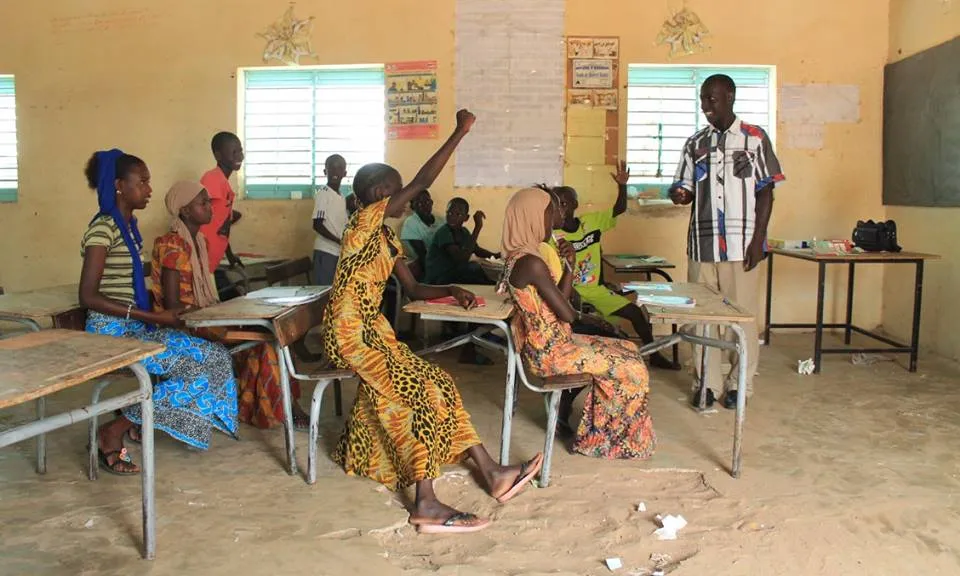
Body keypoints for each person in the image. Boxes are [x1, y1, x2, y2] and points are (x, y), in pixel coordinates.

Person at [321, 110, 542, 534]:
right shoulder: (361, 223)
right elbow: (421, 183)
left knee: (439, 381)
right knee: (421, 391)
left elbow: (414, 288)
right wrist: (460, 132)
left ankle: (492, 472)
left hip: (375, 333)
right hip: (350, 334)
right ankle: (425, 502)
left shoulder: (385, 236)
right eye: (393, 185)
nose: (402, 192)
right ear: (376, 193)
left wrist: (451, 292)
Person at [79, 150, 239, 475]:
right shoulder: (103, 229)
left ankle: (142, 421)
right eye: (143, 182)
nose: (149, 189)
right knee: (193, 372)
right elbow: (88, 296)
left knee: (215, 357)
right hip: (112, 334)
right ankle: (114, 430)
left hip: (134, 329)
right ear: (119, 186)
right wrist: (155, 318)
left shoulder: (129, 227)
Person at [499, 187, 655, 457]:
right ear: (532, 216)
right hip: (552, 353)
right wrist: (590, 318)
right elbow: (568, 313)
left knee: (629, 349)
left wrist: (569, 265)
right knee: (631, 366)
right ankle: (605, 442)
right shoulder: (530, 263)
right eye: (548, 213)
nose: (552, 219)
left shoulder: (522, 257)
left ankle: (603, 434)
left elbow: (560, 300)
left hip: (555, 342)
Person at [151, 181, 310, 430]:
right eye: (202, 203)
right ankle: (281, 408)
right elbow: (174, 305)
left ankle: (274, 406)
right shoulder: (172, 244)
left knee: (271, 335)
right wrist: (213, 314)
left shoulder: (198, 241)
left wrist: (219, 309)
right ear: (185, 211)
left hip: (204, 315)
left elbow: (205, 295)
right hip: (186, 324)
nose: (209, 207)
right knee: (267, 339)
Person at [668, 74, 785, 410]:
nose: (705, 106)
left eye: (712, 99)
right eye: (702, 99)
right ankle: (706, 383)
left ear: (730, 96)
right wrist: (680, 194)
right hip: (702, 245)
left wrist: (758, 240)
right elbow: (685, 190)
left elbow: (766, 191)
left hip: (741, 244)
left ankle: (739, 385)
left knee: (742, 318)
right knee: (701, 317)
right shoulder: (695, 143)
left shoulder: (755, 139)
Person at [549, 162, 676, 370]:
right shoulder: (553, 234)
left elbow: (619, 209)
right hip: (569, 292)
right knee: (597, 332)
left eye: (564, 203)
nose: (561, 209)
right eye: (556, 204)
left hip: (596, 291)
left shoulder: (591, 222)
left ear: (575, 205)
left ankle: (654, 354)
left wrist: (622, 186)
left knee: (635, 313)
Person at [200, 131, 244, 298]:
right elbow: (199, 219)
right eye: (234, 152)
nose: (239, 155)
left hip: (212, 260)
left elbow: (221, 225)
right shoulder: (212, 179)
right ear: (218, 155)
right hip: (203, 260)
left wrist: (230, 255)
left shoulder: (223, 182)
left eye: (240, 150)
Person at [424, 197, 499, 285]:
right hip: (438, 278)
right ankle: (492, 285)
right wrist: (477, 228)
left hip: (452, 274)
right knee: (472, 267)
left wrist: (497, 255)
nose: (452, 217)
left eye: (458, 214)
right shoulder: (444, 232)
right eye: (449, 213)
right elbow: (461, 259)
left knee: (479, 269)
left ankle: (492, 284)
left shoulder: (464, 232)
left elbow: (477, 250)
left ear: (466, 218)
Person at [312, 154, 349, 285]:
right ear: (325, 171)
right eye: (331, 168)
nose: (335, 172)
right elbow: (317, 225)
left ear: (344, 173)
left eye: (339, 168)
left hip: (338, 252)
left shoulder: (341, 196)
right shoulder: (323, 193)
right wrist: (338, 241)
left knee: (335, 291)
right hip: (326, 251)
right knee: (324, 291)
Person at [399, 189, 443, 281]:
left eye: (427, 201)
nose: (424, 205)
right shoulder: (410, 223)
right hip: (423, 264)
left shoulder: (441, 220)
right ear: (412, 206)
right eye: (419, 202)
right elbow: (423, 255)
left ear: (431, 202)